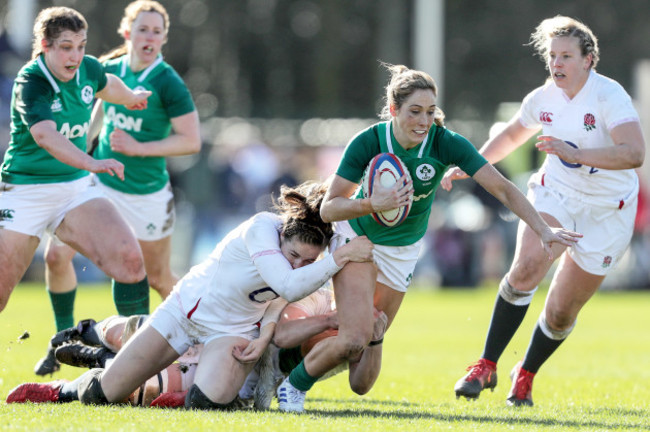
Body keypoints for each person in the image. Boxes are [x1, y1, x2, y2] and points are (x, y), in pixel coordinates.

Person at [275, 62, 583, 413]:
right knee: (353, 337)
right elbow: (330, 209)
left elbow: (502, 188)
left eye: (430, 112)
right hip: (357, 241)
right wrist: (371, 203)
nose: (424, 121)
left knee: (362, 374)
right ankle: (291, 386)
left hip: (402, 252)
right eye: (415, 112)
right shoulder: (369, 141)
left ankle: (286, 357)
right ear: (394, 110)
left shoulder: (445, 143)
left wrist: (543, 229)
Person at [444, 16, 645, 407]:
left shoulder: (609, 96)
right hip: (557, 195)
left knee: (560, 313)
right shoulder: (543, 97)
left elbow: (634, 153)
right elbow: (513, 133)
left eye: (566, 55)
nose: (557, 64)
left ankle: (526, 374)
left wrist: (577, 153)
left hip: (609, 212)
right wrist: (473, 164)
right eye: (552, 55)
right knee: (527, 267)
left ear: (589, 60)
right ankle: (485, 364)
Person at [65, 181, 373, 410]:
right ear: (283, 234)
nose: (298, 265)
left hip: (232, 331)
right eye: (293, 255)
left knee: (204, 404)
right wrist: (341, 255)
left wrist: (264, 337)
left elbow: (276, 300)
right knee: (100, 397)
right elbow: (289, 285)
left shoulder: (304, 258)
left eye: (308, 262)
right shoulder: (261, 228)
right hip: (183, 313)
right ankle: (74, 383)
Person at [35, 0, 200, 376]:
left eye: (157, 31)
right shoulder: (107, 69)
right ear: (127, 33)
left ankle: (194, 339)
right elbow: (95, 116)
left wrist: (139, 148)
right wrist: (80, 156)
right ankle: (62, 339)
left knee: (156, 277)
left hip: (147, 195)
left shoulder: (168, 82)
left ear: (163, 38)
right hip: (99, 185)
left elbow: (191, 141)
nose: (149, 37)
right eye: (143, 29)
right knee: (55, 257)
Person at [6, 285, 387, 410]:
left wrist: (375, 339)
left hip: (240, 365)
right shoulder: (316, 291)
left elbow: (362, 382)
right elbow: (283, 329)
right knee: (131, 330)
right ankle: (89, 333)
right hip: (213, 332)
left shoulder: (352, 333)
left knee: (150, 386)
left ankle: (67, 387)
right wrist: (328, 320)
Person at [0, 9, 152, 317]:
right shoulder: (31, 81)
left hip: (73, 189)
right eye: (67, 47)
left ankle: (137, 361)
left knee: (130, 261)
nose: (76, 55)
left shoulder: (88, 70)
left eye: (81, 46)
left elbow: (108, 85)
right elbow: (45, 136)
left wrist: (130, 97)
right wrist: (90, 162)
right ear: (46, 45)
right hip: (24, 192)